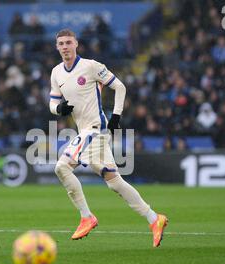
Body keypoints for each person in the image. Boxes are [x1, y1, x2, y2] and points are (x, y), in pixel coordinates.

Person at [49, 29, 168, 247]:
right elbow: (52, 103)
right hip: (85, 131)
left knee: (61, 167)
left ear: (76, 44)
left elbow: (119, 86)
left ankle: (87, 216)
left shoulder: (91, 66)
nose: (65, 47)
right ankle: (154, 219)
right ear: (57, 47)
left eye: (68, 42)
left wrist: (116, 116)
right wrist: (59, 109)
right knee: (114, 182)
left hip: (96, 129)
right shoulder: (56, 73)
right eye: (61, 44)